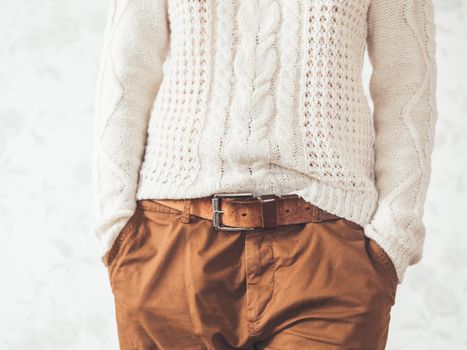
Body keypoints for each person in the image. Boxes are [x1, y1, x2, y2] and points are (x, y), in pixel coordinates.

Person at [92, 0, 437, 349]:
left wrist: (393, 239)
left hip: (328, 250)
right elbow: (126, 75)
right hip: (171, 243)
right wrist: (116, 229)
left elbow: (406, 86)